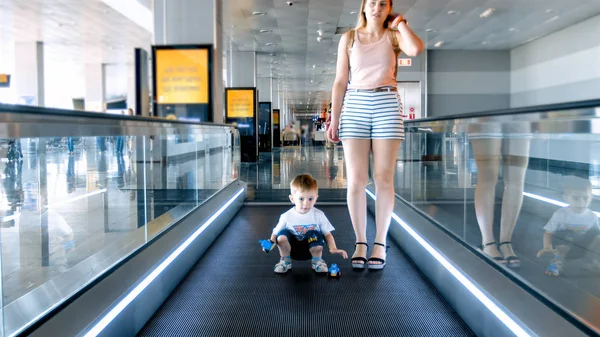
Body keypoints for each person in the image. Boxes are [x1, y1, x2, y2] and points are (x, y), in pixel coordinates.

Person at [327, 0, 423, 270]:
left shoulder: (394, 36)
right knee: (356, 180)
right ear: (364, 7)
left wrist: (401, 23)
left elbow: (415, 49)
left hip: (387, 104)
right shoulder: (348, 38)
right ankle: (360, 240)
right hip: (355, 104)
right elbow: (339, 81)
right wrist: (333, 121)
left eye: (383, 3)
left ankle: (380, 241)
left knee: (383, 178)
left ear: (388, 8)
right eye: (372, 2)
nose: (377, 7)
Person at [260, 174, 348, 274]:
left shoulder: (319, 215)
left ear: (316, 198)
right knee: (282, 235)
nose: (306, 203)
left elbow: (327, 234)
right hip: (292, 250)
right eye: (301, 199)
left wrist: (333, 248)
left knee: (314, 233)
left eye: (310, 199)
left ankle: (317, 262)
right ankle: (285, 261)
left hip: (311, 250)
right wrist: (270, 244)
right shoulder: (286, 216)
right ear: (292, 199)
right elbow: (275, 234)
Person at [537, 177, 600, 276]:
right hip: (563, 245)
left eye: (585, 198)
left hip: (581, 246)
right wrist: (547, 247)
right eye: (576, 198)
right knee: (568, 234)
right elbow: (548, 232)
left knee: (598, 236)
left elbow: (595, 236)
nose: (581, 202)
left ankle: (589, 261)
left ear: (591, 197)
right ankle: (557, 261)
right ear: (566, 198)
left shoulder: (592, 216)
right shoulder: (561, 214)